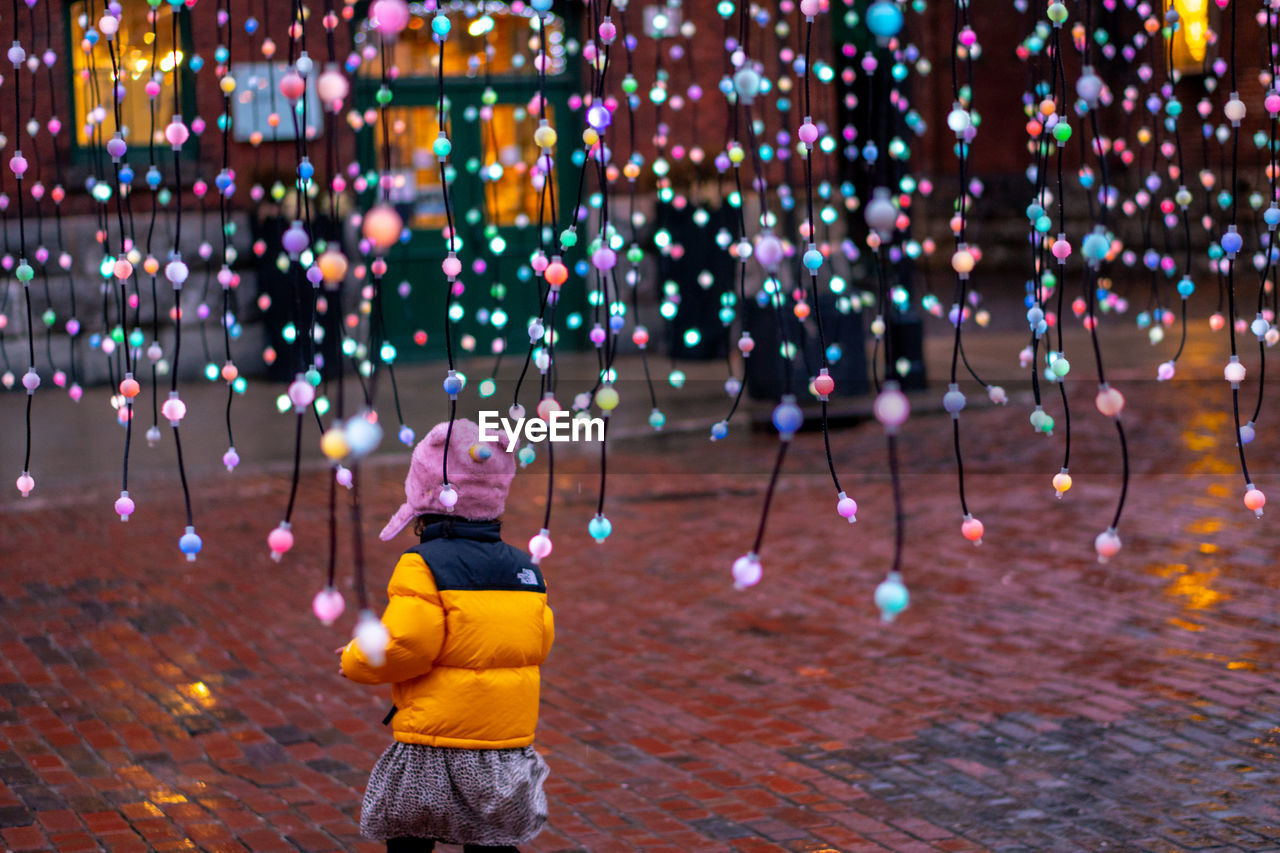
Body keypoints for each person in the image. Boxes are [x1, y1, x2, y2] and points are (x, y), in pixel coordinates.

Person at [340, 418, 554, 853]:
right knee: (490, 838)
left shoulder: (423, 563)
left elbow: (406, 645)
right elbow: (540, 640)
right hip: (502, 746)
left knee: (410, 834)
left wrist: (354, 659)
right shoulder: (526, 568)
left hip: (434, 745)